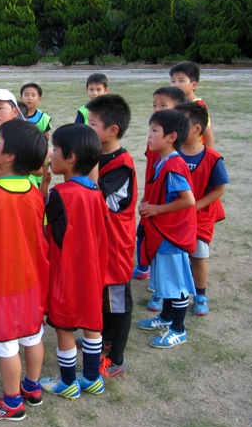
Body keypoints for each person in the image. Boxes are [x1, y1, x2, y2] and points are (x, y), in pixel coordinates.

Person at [0, 120, 49, 421]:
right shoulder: (36, 193)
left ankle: (12, 402)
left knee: (6, 346)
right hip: (31, 280)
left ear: (10, 156)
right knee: (32, 336)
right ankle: (33, 387)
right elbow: (38, 232)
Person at [39, 124, 109, 398]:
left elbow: (41, 226)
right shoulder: (95, 193)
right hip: (91, 271)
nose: (51, 154)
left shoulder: (61, 194)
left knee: (65, 328)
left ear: (71, 158)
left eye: (55, 150)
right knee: (93, 325)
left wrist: (43, 192)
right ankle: (92, 378)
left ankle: (67, 382)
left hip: (66, 273)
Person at [135, 110, 197, 349]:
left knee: (176, 284)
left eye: (154, 131)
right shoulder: (163, 161)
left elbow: (188, 200)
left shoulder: (174, 165)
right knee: (167, 281)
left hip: (173, 235)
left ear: (171, 136)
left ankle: (178, 330)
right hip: (163, 234)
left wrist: (158, 210)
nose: (149, 136)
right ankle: (166, 318)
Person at [86, 95, 137, 377]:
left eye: (92, 124)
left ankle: (116, 358)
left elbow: (94, 194)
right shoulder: (101, 155)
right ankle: (103, 340)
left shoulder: (121, 162)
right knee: (102, 293)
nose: (87, 128)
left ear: (112, 130)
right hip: (99, 240)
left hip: (116, 243)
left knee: (117, 299)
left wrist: (90, 156)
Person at [176, 102, 229, 316]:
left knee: (197, 258)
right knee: (174, 256)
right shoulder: (171, 153)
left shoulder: (213, 158)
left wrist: (194, 206)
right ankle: (168, 293)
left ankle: (200, 295)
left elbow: (219, 190)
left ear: (197, 129)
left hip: (201, 218)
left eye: (180, 124)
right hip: (175, 216)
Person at [132, 86, 187, 285]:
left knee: (163, 251)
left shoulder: (174, 158)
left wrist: (158, 207)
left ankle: (160, 292)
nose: (157, 109)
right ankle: (145, 269)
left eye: (163, 105)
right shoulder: (156, 143)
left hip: (165, 215)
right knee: (143, 234)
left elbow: (186, 199)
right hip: (152, 201)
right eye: (154, 105)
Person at [170, 62, 214, 148]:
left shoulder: (199, 106)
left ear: (193, 85)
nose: (176, 85)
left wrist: (208, 158)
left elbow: (208, 136)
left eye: (181, 81)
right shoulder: (174, 103)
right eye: (173, 81)